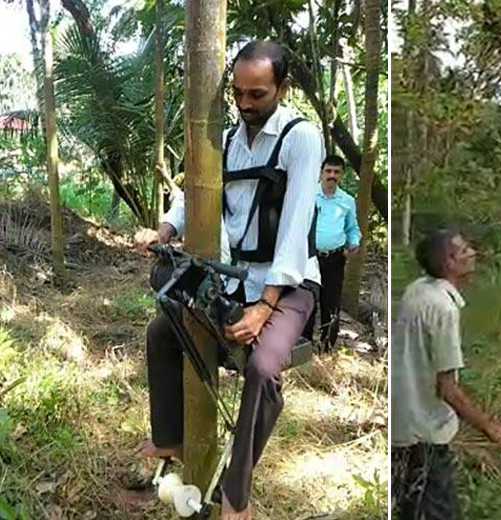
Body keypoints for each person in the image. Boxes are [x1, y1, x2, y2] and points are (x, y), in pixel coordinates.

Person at [135, 40, 324, 520]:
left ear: (282, 87)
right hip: (234, 276)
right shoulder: (230, 137)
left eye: (257, 95)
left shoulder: (301, 137)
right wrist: (163, 230)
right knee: (163, 328)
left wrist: (265, 306)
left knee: (263, 368)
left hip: (292, 283)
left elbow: (298, 222)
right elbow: (194, 196)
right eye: (237, 94)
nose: (244, 105)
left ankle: (235, 496)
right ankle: (170, 442)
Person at [391, 228, 501, 519]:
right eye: (464, 249)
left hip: (404, 425)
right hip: (425, 436)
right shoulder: (444, 309)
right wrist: (491, 428)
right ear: (449, 263)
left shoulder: (417, 289)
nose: (472, 253)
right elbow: (448, 389)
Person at [302, 154, 361, 352]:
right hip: (309, 258)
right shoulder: (308, 195)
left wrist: (353, 243)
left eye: (336, 172)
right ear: (321, 173)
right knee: (307, 301)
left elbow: (353, 228)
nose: (332, 175)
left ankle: (327, 347)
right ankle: (304, 346)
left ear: (342, 175)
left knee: (331, 303)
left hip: (335, 259)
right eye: (328, 171)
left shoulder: (347, 201)